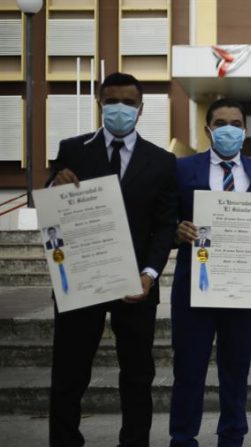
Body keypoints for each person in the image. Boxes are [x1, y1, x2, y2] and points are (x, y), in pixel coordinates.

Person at [47, 72, 178, 447]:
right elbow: (51, 204)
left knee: (138, 375)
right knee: (69, 374)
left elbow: (165, 225)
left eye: (128, 102)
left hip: (136, 282)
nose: (119, 109)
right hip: (82, 279)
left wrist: (150, 273)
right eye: (111, 101)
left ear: (140, 108)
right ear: (100, 104)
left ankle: (134, 442)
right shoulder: (73, 149)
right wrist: (53, 186)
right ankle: (65, 441)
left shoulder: (162, 160)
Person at [169, 98, 251, 447]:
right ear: (208, 129)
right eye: (221, 123)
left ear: (245, 130)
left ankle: (232, 437)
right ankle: (182, 437)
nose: (228, 129)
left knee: (236, 371)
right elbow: (165, 220)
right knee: (188, 370)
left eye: (235, 123)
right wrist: (178, 231)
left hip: (243, 288)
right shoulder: (183, 169)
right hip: (195, 288)